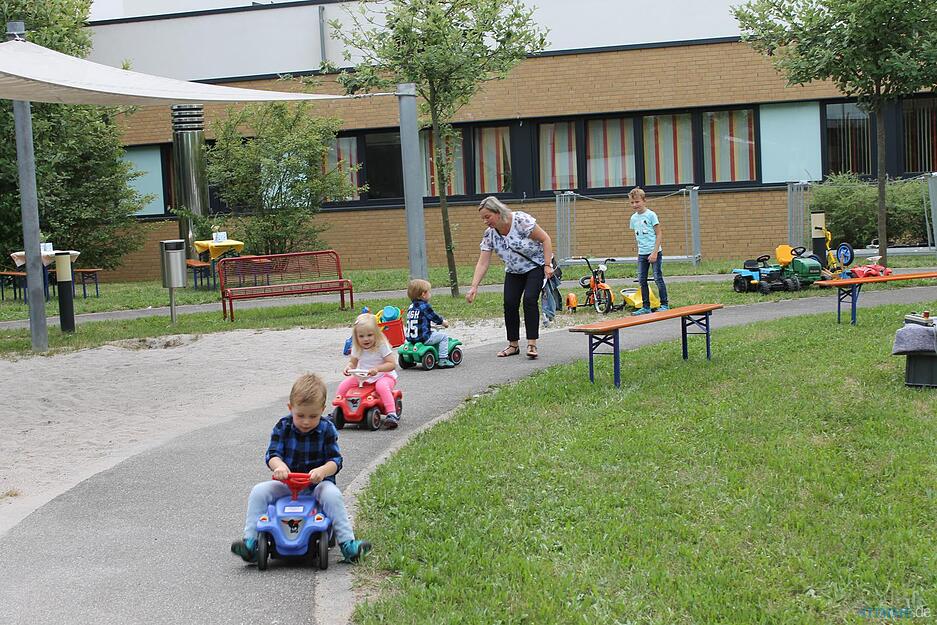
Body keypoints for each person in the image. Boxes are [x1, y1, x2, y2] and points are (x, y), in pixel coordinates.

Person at [230, 373, 371, 565]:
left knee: (333, 495)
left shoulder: (327, 429)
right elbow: (272, 454)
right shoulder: (283, 426)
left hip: (316, 486)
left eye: (313, 416)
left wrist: (322, 471)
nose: (306, 421)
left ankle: (347, 544)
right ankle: (251, 542)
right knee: (259, 491)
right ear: (291, 408)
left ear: (322, 410)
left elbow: (335, 460)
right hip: (288, 483)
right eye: (300, 415)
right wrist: (279, 467)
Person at [466, 196, 554, 359]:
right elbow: (483, 263)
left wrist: (547, 265)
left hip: (535, 266)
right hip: (514, 271)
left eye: (487, 217)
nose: (485, 221)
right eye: (483, 218)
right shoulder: (490, 234)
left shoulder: (520, 220)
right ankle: (513, 345)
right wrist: (474, 286)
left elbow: (545, 239)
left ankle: (532, 344)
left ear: (498, 212)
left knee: (529, 300)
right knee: (510, 303)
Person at [340, 312, 400, 428]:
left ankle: (392, 413)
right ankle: (339, 409)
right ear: (356, 337)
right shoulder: (357, 347)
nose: (366, 339)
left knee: (381, 386)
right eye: (361, 336)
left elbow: (392, 364)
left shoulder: (381, 345)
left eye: (370, 335)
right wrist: (349, 368)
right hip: (364, 377)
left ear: (376, 334)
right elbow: (353, 363)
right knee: (345, 384)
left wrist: (377, 369)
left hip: (384, 376)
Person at [628, 187, 670, 315]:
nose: (635, 205)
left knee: (657, 278)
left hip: (654, 252)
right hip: (642, 253)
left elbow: (659, 234)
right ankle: (646, 306)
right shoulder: (633, 218)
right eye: (632, 202)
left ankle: (664, 304)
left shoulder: (651, 215)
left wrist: (654, 252)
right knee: (642, 279)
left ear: (644, 201)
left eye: (637, 202)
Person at [405, 278, 454, 368]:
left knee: (434, 333)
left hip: (411, 338)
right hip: (424, 338)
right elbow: (435, 317)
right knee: (443, 337)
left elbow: (417, 320)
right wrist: (443, 322)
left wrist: (429, 324)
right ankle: (443, 359)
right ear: (423, 294)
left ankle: (408, 360)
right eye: (429, 292)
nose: (430, 294)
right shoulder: (424, 306)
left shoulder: (411, 307)